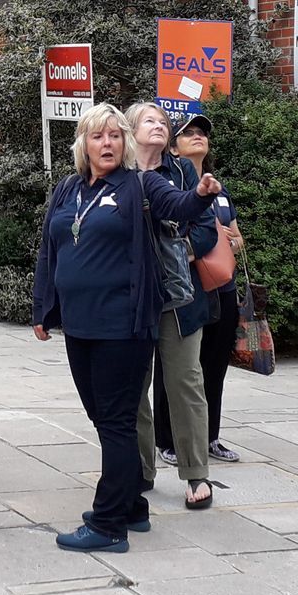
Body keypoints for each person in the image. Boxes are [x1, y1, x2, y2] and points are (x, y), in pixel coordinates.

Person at [31, 103, 220, 553]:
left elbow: (180, 205)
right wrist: (42, 309)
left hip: (123, 325)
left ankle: (109, 523)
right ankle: (133, 504)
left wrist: (202, 195)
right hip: (80, 325)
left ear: (127, 143)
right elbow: (49, 251)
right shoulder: (67, 189)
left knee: (115, 422)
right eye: (98, 136)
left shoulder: (142, 185)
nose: (108, 143)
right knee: (104, 417)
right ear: (83, 144)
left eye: (116, 136)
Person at [122, 102, 221, 511]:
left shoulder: (183, 173)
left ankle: (197, 473)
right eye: (151, 120)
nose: (160, 126)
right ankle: (141, 469)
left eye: (165, 122)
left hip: (178, 297)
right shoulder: (118, 173)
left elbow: (205, 229)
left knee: (185, 383)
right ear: (130, 130)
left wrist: (175, 248)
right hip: (130, 298)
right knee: (132, 387)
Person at [152, 112, 246, 470]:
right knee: (176, 365)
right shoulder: (167, 184)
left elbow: (236, 236)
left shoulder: (220, 192)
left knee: (214, 364)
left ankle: (210, 435)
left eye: (202, 133)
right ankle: (167, 439)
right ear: (172, 146)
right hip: (183, 288)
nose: (197, 137)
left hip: (220, 285)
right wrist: (188, 251)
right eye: (187, 132)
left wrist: (229, 241)